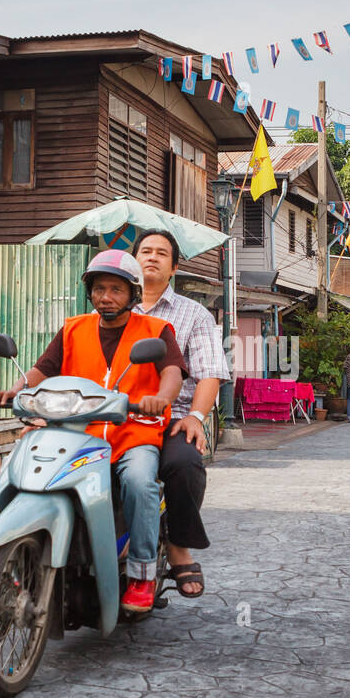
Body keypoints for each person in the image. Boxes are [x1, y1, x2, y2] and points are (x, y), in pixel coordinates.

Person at [0, 249, 187, 614]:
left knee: (140, 481)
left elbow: (172, 370)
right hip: (77, 434)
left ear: (132, 292)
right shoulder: (73, 328)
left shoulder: (155, 331)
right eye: (99, 289)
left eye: (115, 289)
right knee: (21, 470)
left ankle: (142, 574)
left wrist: (160, 398)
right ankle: (20, 559)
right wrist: (16, 390)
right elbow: (42, 369)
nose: (105, 297)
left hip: (133, 432)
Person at [130, 229, 231, 600]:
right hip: (118, 416)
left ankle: (177, 543)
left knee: (185, 463)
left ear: (173, 267)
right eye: (145, 251)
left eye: (161, 253)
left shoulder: (194, 314)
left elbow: (210, 374)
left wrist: (196, 417)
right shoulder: (110, 310)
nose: (152, 257)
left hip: (174, 415)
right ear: (133, 260)